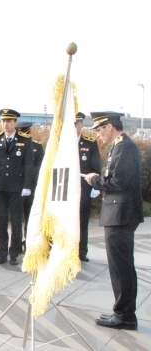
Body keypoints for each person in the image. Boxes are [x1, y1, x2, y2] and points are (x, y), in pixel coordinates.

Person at [85, 111, 143, 330]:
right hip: (118, 213)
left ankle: (124, 315)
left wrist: (95, 180)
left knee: (121, 267)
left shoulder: (124, 147)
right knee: (120, 266)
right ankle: (123, 311)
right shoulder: (119, 146)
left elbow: (117, 181)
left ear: (109, 126)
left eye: (99, 130)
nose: (98, 135)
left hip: (121, 215)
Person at [0, 109, 34, 266]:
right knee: (0, 222)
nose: (5, 124)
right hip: (0, 188)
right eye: (3, 121)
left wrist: (27, 186)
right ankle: (2, 252)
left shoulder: (25, 140)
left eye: (9, 121)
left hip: (17, 188)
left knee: (16, 222)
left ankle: (14, 253)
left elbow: (28, 166)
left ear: (15, 123)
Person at [15, 121, 45, 252]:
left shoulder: (37, 147)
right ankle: (16, 244)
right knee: (16, 217)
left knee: (30, 216)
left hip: (31, 186)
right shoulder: (14, 145)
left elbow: (40, 166)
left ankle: (28, 242)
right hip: (16, 186)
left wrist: (28, 176)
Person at [76, 112, 101, 262]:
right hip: (65, 188)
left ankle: (81, 250)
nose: (73, 127)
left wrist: (96, 186)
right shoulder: (60, 143)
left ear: (81, 124)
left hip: (83, 187)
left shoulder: (89, 143)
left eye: (75, 124)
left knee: (82, 220)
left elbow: (95, 166)